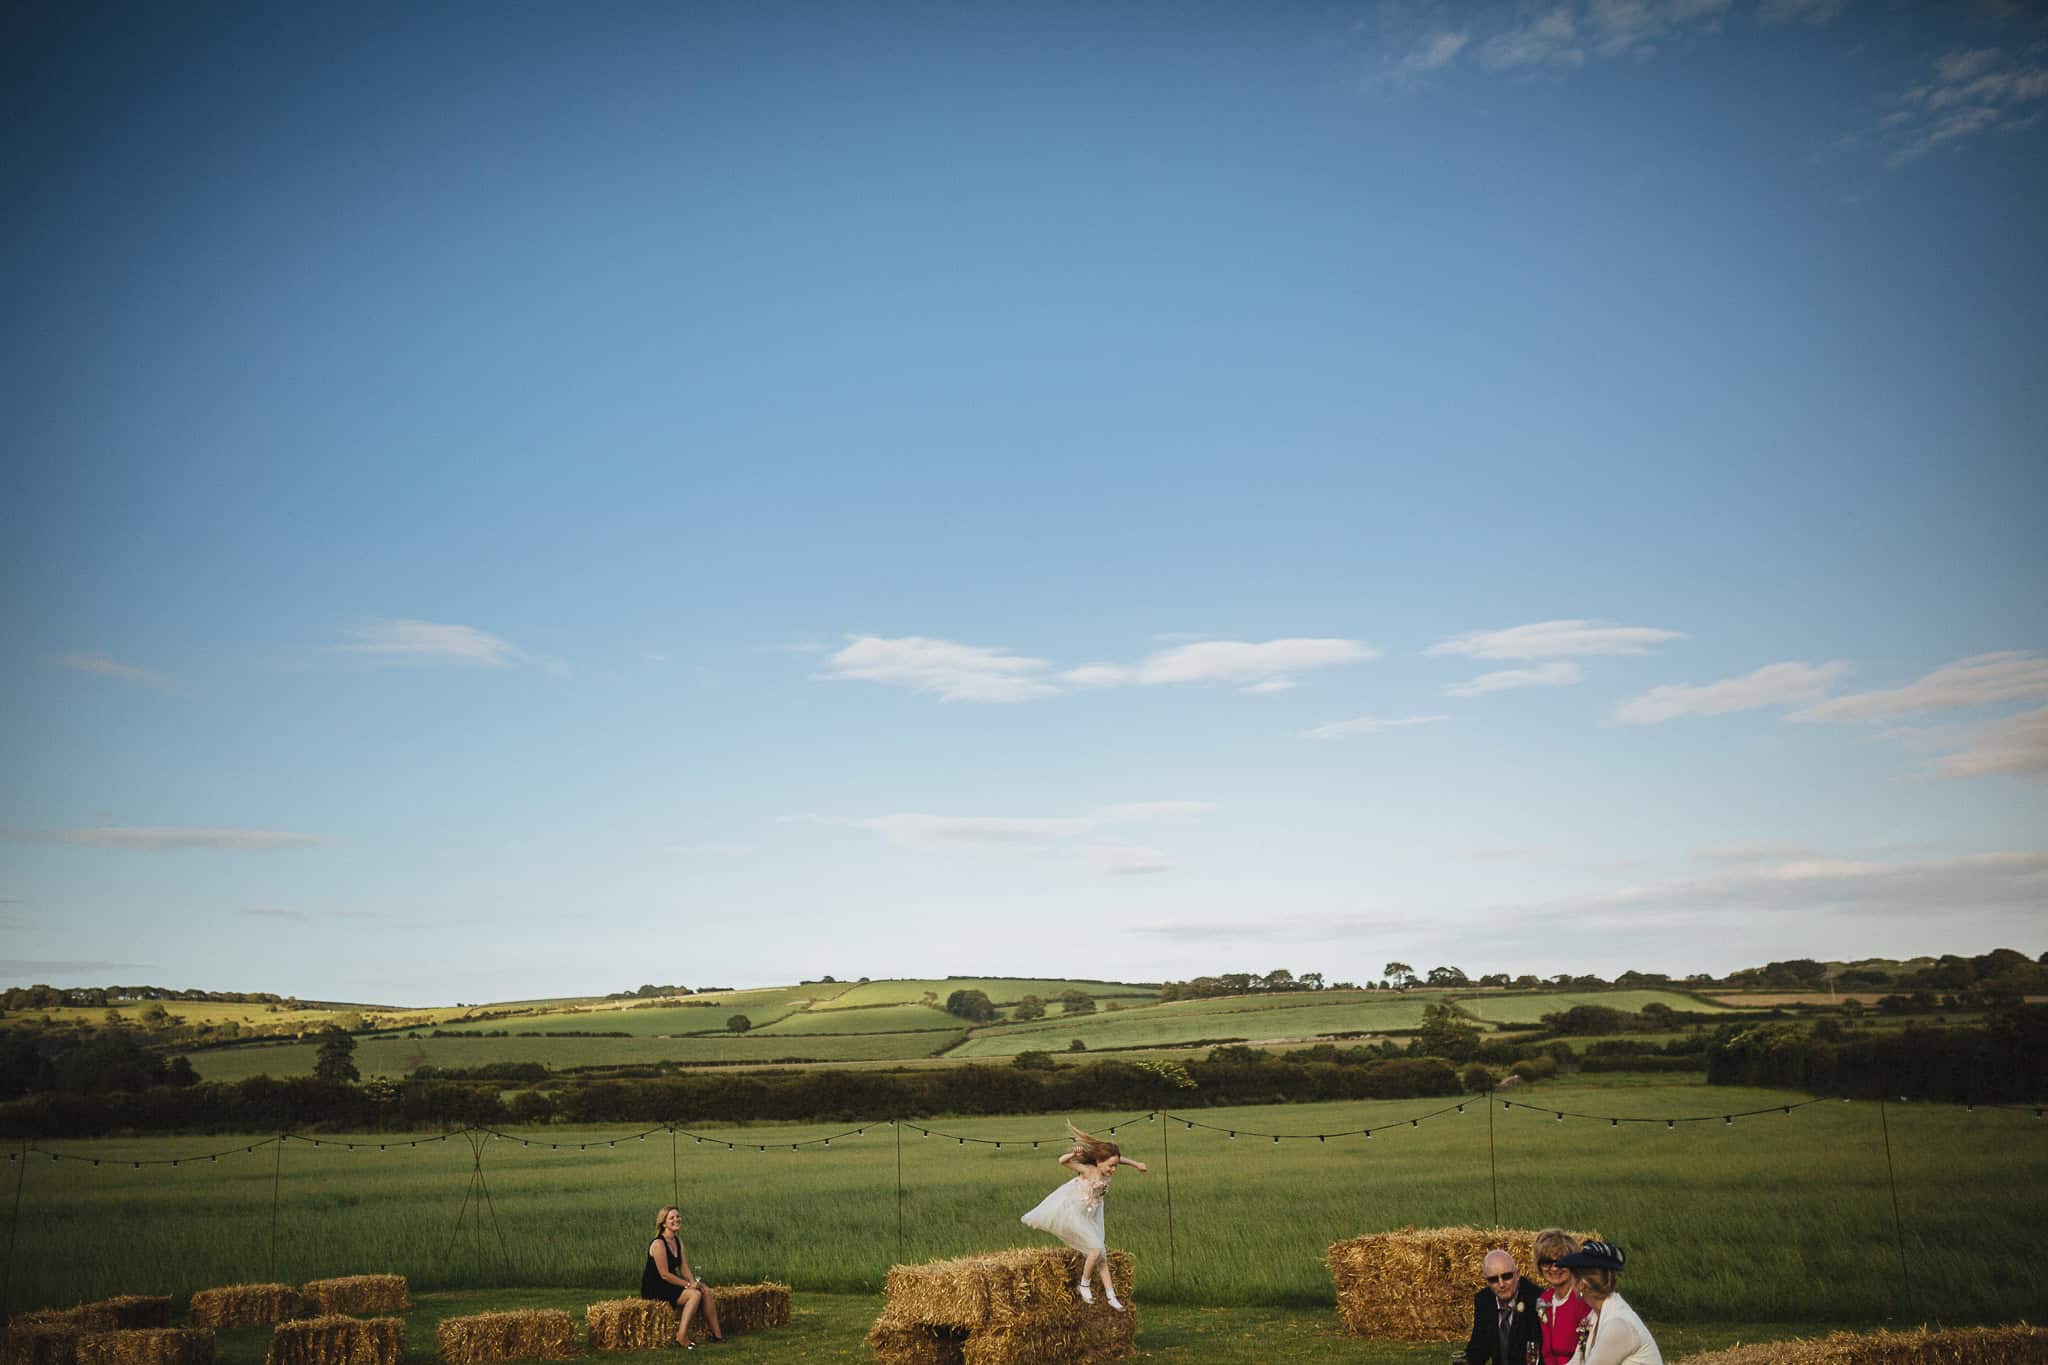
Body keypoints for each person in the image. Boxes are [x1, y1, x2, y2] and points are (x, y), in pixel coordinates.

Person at [1019, 1121, 1148, 1309]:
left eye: (1115, 1166)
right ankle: (1084, 1285)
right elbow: (1062, 1161)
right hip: (1076, 1212)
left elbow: (1119, 1159)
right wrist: (1073, 1154)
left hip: (1093, 1214)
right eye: (1110, 1166)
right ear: (1099, 1161)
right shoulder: (1088, 1170)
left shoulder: (1107, 1167)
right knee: (1095, 1249)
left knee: (1101, 1256)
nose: (1113, 1169)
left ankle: (1111, 1296)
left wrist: (1136, 1164)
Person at [1555, 1240, 1661, 1365]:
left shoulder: (1618, 1325)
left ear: (1582, 1285)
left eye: (1572, 1278)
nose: (1570, 1284)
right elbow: (1576, 1362)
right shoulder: (1594, 1316)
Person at [640, 1205, 722, 1348]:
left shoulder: (678, 1241)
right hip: (655, 1287)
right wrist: (689, 1285)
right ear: (663, 1223)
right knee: (694, 1295)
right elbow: (664, 1274)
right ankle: (681, 1336)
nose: (676, 1219)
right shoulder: (658, 1243)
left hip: (670, 1283)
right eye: (671, 1218)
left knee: (705, 1290)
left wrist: (694, 1282)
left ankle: (717, 1335)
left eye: (678, 1216)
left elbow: (684, 1268)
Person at [1458, 1247, 1541, 1365]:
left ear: (1517, 1274)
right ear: (1487, 1281)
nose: (1501, 1284)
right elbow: (1479, 1347)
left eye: (1506, 1276)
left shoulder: (1535, 1300)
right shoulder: (1484, 1300)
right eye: (1493, 1279)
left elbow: (1541, 1353)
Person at [1532, 1228, 1591, 1365]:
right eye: (1547, 1262)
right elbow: (1546, 1351)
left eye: (1561, 1262)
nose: (1554, 1268)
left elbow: (1586, 1350)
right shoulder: (1544, 1299)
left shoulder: (1582, 1299)